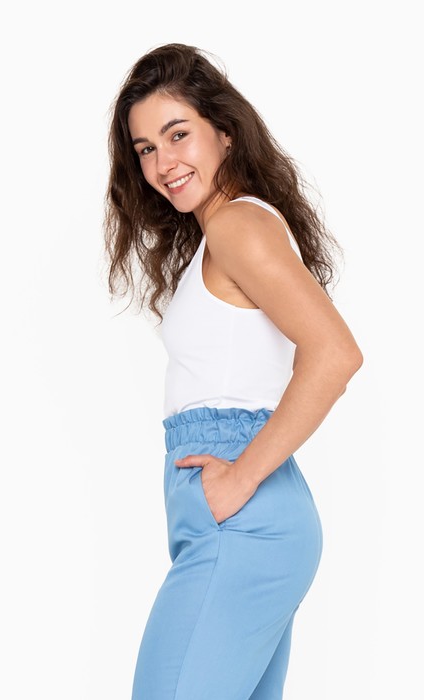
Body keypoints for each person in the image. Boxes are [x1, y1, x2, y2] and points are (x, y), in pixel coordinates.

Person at [103, 42, 363, 700]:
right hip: (248, 517)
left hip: (242, 515)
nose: (163, 163)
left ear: (225, 130)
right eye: (145, 148)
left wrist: (242, 475)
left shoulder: (239, 226)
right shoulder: (225, 233)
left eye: (178, 134)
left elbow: (335, 353)